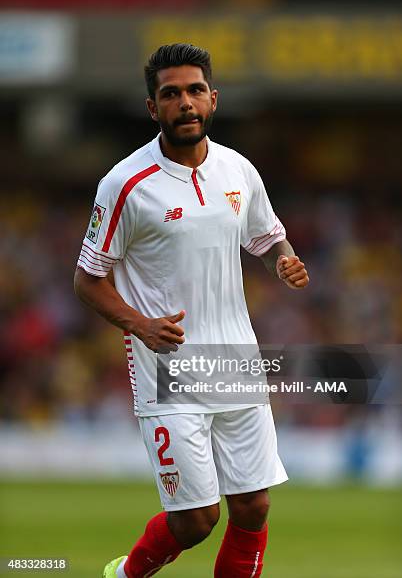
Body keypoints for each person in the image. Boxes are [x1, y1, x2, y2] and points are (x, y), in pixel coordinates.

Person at [74, 43, 309, 578]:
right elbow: (87, 279)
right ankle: (126, 574)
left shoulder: (238, 169)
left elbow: (269, 238)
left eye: (195, 91)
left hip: (236, 360)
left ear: (213, 99)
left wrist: (285, 261)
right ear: (153, 108)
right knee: (197, 521)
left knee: (253, 507)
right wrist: (139, 324)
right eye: (171, 93)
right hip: (168, 370)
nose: (186, 102)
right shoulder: (125, 184)